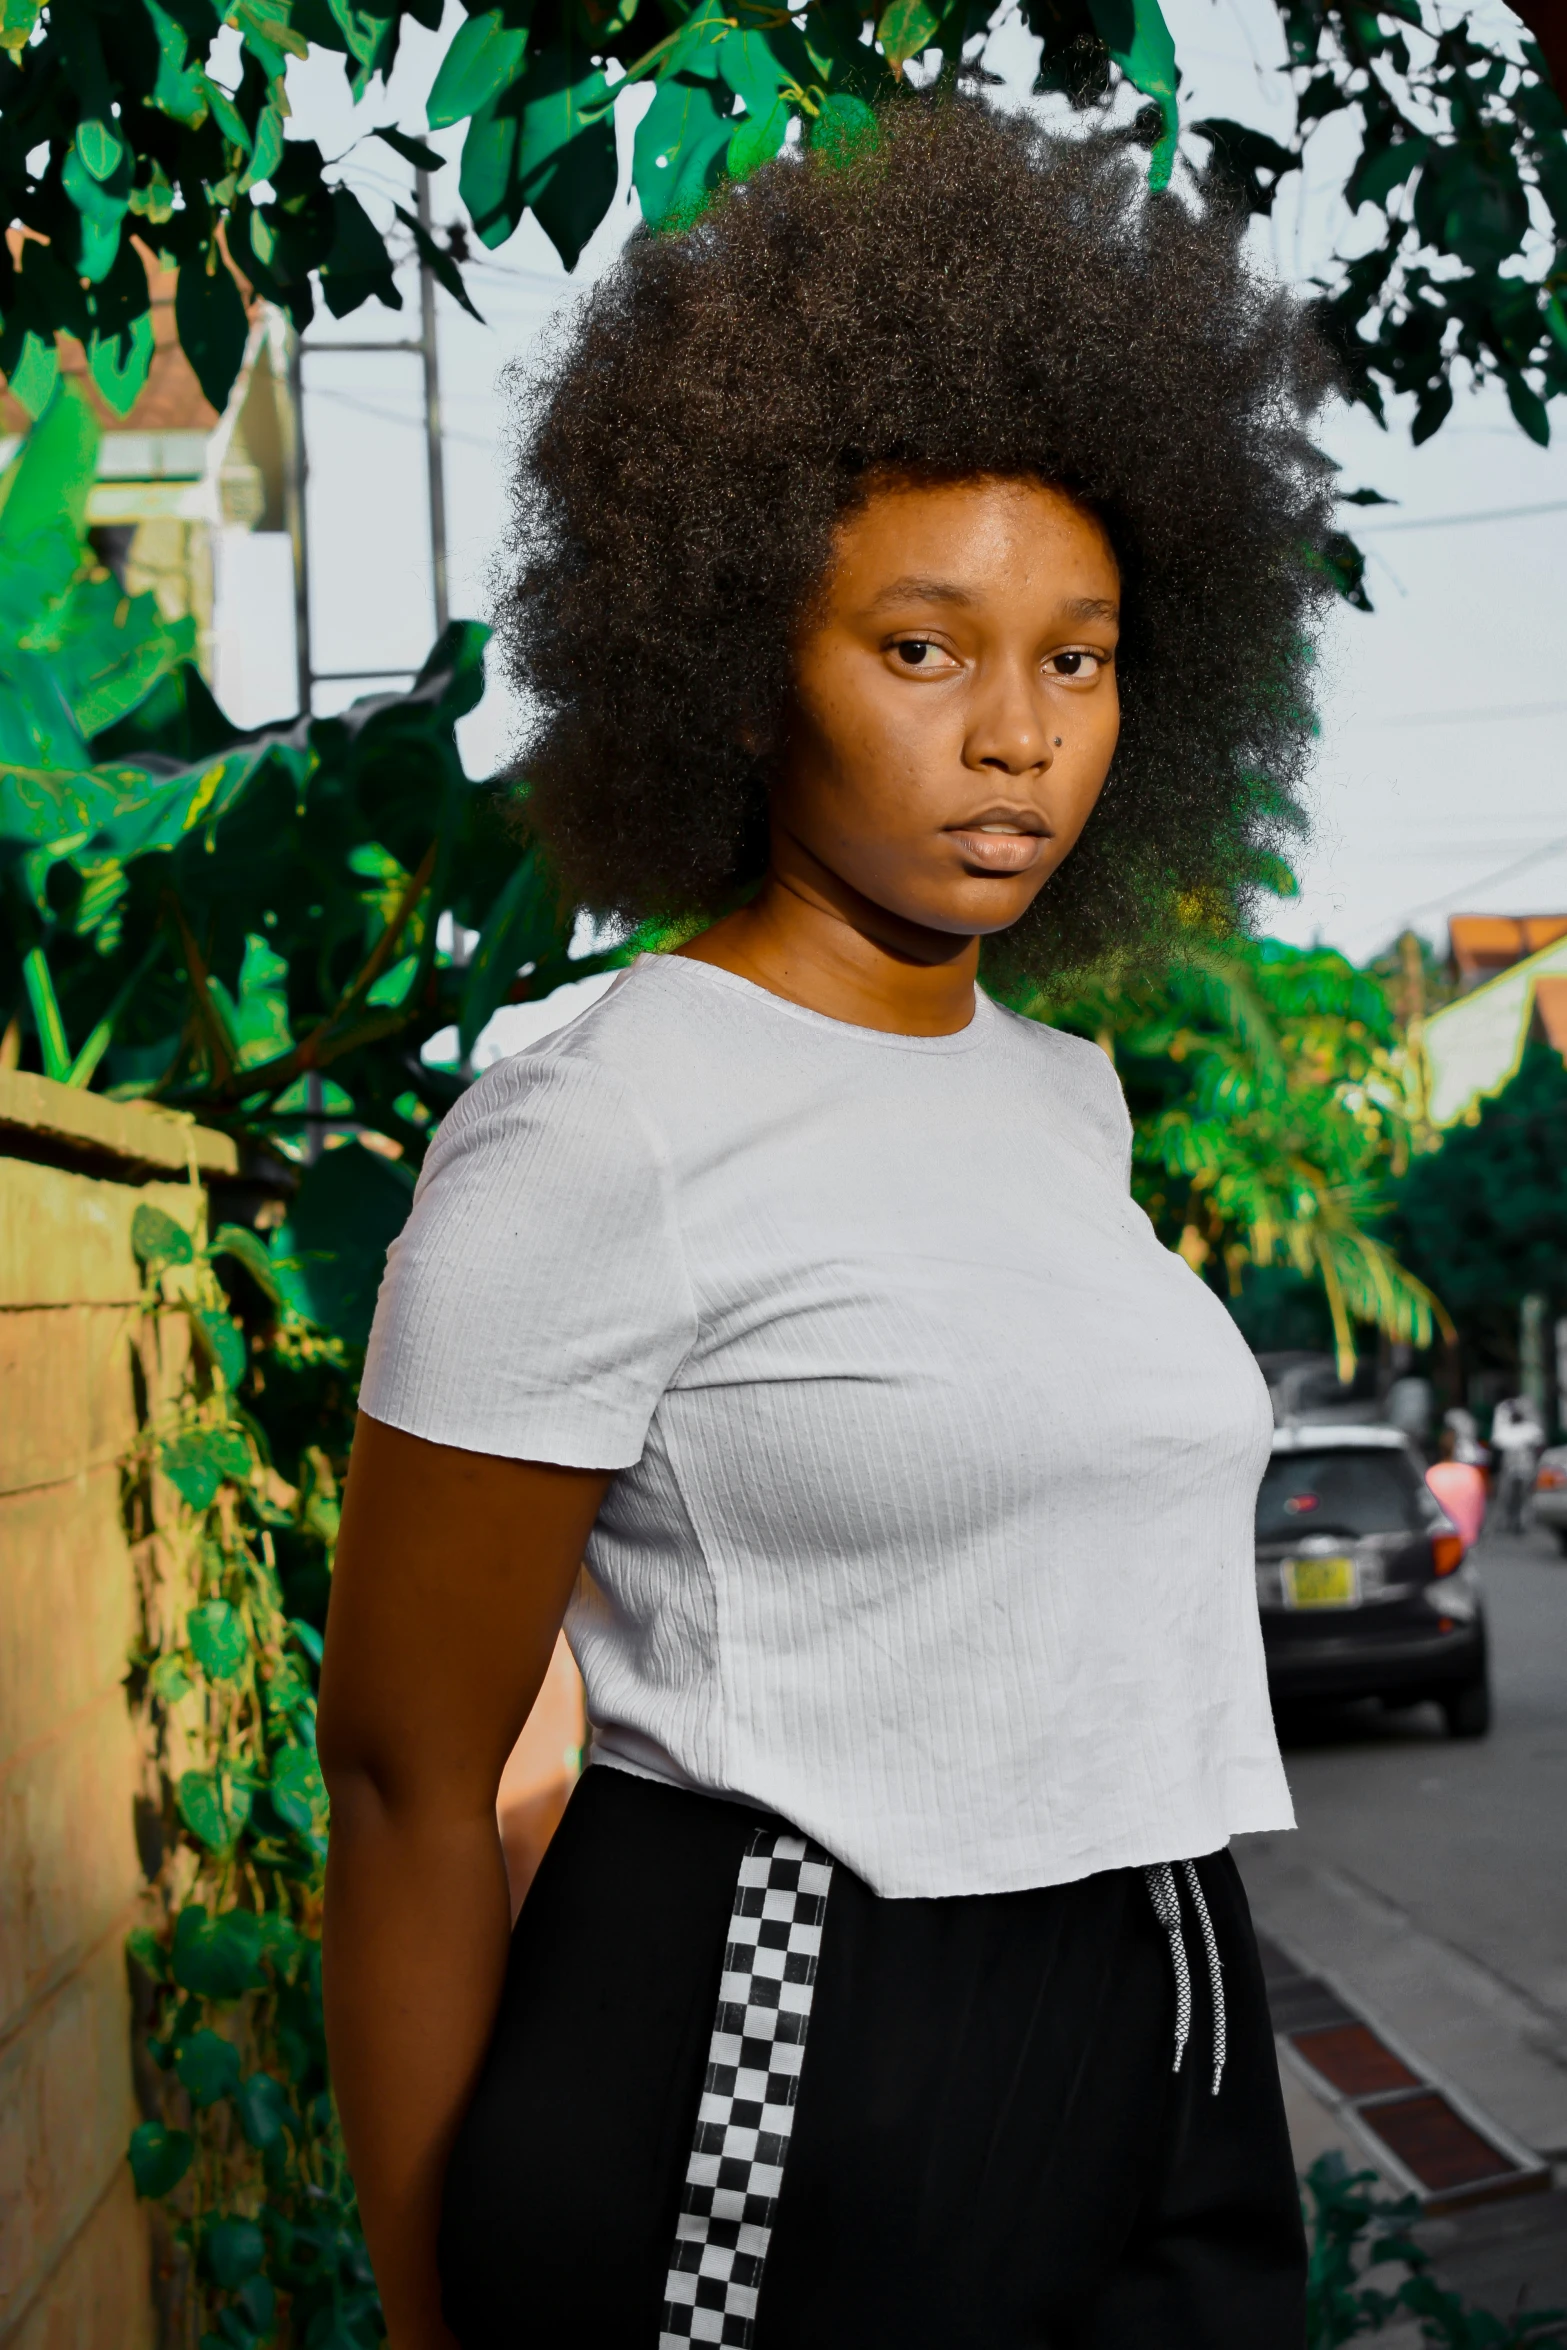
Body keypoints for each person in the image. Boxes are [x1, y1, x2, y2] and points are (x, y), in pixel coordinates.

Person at [317, 100, 1335, 2350]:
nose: (1015, 738)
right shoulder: (601, 1123)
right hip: (791, 2022)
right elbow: (402, 1778)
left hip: (1168, 1997)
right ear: (735, 652)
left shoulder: (1066, 1099)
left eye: (1076, 659)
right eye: (921, 648)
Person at [1426, 1426, 1487, 1552]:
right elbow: (1480, 1512)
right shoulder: (1471, 1474)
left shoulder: (1431, 1475)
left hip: (1439, 1539)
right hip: (1467, 1539)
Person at [1491, 1394, 1544, 1535]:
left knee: (1523, 1496)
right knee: (1506, 1496)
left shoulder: (1529, 1429)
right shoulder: (1505, 1431)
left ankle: (1521, 1521)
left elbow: (1538, 1446)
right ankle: (1506, 1520)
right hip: (1510, 1469)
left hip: (1525, 1468)